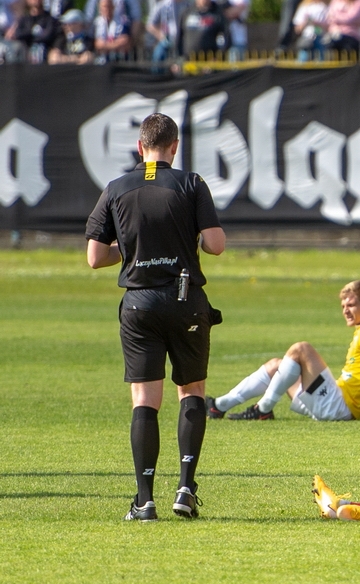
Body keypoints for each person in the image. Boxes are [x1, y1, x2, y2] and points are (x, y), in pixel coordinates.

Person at [85, 113, 226, 522]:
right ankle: (185, 488)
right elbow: (215, 245)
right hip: (185, 300)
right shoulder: (191, 182)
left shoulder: (116, 187)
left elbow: (95, 257)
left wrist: (129, 253)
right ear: (174, 147)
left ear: (139, 147)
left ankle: (144, 499)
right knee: (191, 390)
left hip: (139, 304)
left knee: (145, 400)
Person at [207, 280, 360, 423]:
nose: (345, 311)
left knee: (301, 349)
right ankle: (219, 405)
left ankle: (262, 408)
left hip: (339, 407)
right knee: (277, 365)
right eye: (343, 306)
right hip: (334, 402)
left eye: (351, 305)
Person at [146, 0, 188, 65]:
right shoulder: (163, 5)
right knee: (158, 56)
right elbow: (150, 25)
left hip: (184, 41)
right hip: (167, 41)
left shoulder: (189, 5)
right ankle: (157, 74)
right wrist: (161, 36)